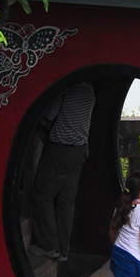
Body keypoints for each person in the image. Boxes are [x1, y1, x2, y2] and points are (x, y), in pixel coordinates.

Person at [30, 80, 95, 261]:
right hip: (80, 150)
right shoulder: (89, 91)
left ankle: (48, 245)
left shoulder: (66, 89)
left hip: (59, 149)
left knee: (42, 195)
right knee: (66, 202)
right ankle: (64, 249)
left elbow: (48, 116)